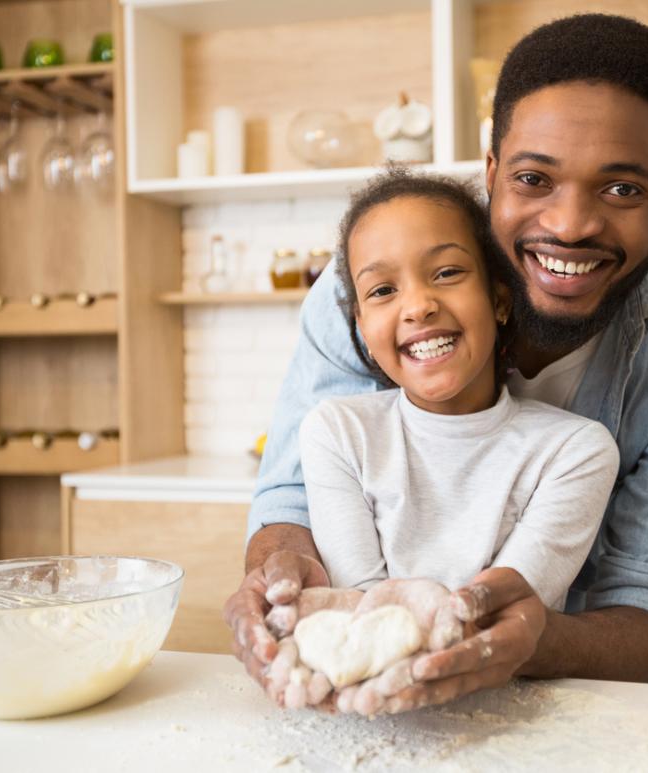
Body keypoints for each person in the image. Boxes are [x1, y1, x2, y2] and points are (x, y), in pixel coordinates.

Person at [225, 13, 648, 714]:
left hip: (593, 709)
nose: (570, 224)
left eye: (623, 189)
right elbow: (291, 502)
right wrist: (280, 576)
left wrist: (526, 640)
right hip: (366, 709)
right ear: (492, 175)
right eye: (535, 178)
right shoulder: (361, 301)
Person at [262, 169, 619, 713]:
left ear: (500, 300)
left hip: (519, 712)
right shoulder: (338, 432)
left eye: (447, 272)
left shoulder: (574, 452)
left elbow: (502, 610)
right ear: (361, 328)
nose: (417, 306)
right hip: (375, 716)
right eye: (383, 290)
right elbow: (362, 604)